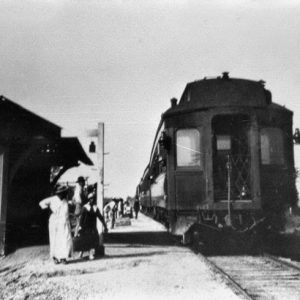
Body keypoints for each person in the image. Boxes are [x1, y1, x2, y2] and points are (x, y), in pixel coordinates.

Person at [39, 185, 73, 264]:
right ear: (59, 193)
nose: (65, 194)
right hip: (55, 222)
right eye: (63, 193)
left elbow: (66, 213)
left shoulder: (65, 201)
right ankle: (54, 257)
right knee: (55, 240)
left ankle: (63, 257)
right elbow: (41, 203)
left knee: (65, 239)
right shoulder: (52, 199)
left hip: (64, 223)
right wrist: (48, 209)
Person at [77, 192, 108, 260]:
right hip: (85, 227)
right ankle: (81, 253)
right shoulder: (85, 207)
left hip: (92, 227)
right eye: (91, 199)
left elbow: (100, 217)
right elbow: (81, 218)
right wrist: (80, 226)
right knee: (84, 240)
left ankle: (91, 254)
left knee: (92, 240)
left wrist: (105, 225)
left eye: (93, 199)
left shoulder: (95, 208)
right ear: (89, 199)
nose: (92, 200)